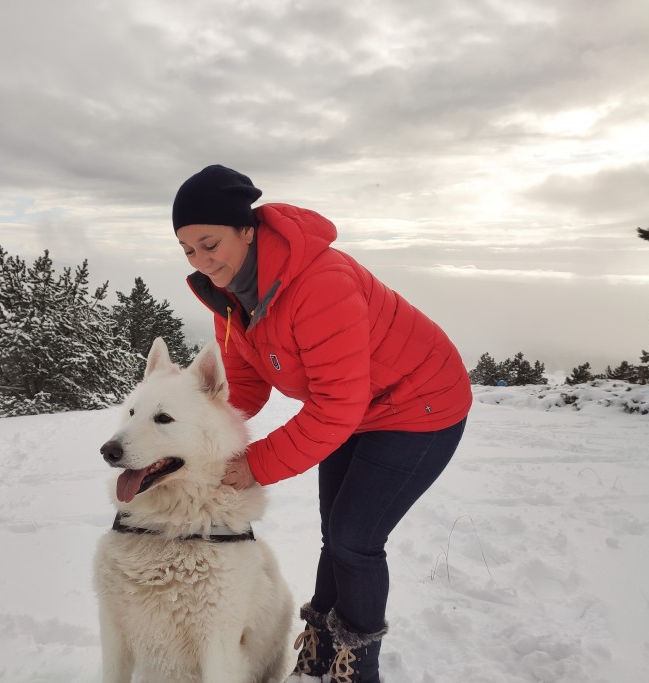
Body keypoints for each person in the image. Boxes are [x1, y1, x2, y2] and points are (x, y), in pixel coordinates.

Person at [171, 165, 472, 683]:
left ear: (247, 230)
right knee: (335, 535)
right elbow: (243, 388)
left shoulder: (319, 283)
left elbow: (335, 407)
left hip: (421, 405)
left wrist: (255, 464)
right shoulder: (230, 298)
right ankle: (320, 650)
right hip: (358, 408)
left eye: (209, 243)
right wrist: (189, 432)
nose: (202, 261)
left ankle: (358, 669)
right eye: (188, 250)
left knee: (355, 538)